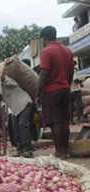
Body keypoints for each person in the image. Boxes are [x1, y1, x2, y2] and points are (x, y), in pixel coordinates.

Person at [37, 26, 75, 159]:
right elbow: (71, 71)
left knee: (55, 122)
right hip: (65, 89)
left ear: (45, 38)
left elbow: (44, 73)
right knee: (64, 121)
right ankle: (66, 150)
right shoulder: (67, 50)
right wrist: (67, 84)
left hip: (52, 91)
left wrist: (38, 92)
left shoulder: (46, 52)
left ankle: (60, 152)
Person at [0, 73, 34, 157]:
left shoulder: (7, 82)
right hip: (15, 109)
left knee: (22, 125)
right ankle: (19, 149)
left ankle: (27, 149)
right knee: (14, 128)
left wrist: (3, 78)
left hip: (24, 104)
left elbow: (13, 83)